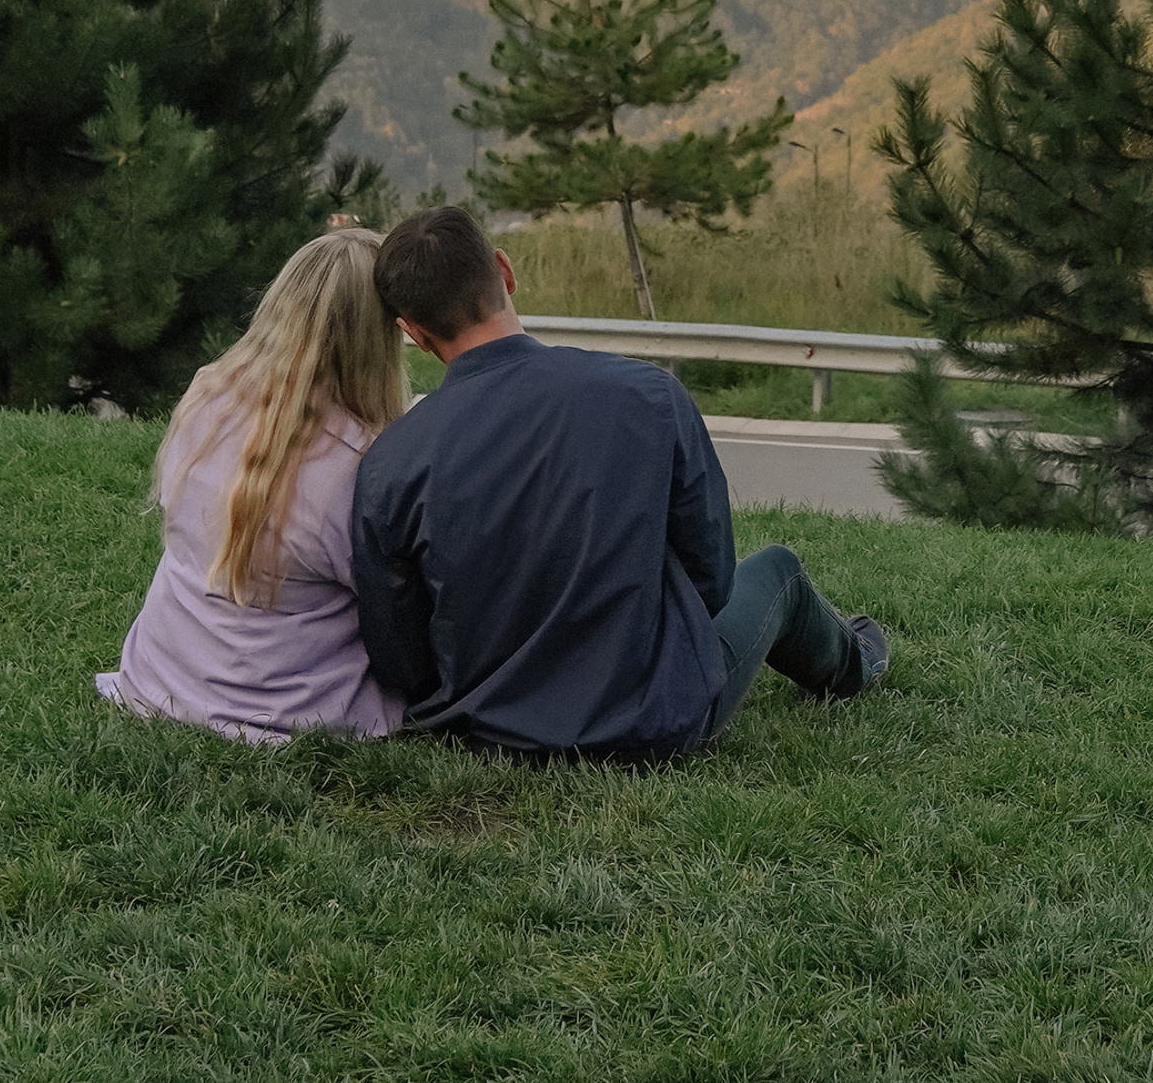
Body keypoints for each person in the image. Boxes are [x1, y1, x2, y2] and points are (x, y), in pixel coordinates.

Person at [351, 204, 889, 763]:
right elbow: (712, 580)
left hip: (480, 730)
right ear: (504, 271)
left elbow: (400, 659)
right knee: (777, 570)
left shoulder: (391, 460)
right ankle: (860, 659)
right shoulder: (647, 394)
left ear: (413, 332)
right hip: (646, 722)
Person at [97, 224, 409, 744]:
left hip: (163, 677)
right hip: (287, 708)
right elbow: (402, 611)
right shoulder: (364, 465)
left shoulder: (207, 397)